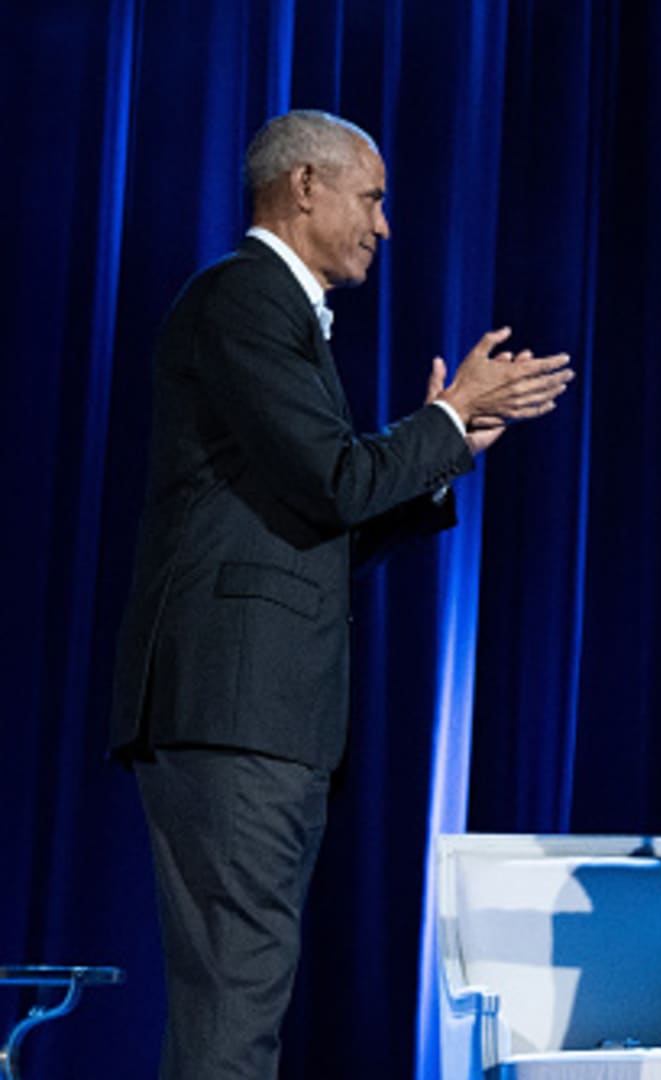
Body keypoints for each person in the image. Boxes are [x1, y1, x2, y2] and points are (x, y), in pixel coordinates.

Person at [110, 109, 572, 1078]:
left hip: (261, 716)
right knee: (237, 999)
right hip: (236, 713)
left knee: (237, 997)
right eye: (372, 197)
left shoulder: (273, 315)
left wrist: (447, 458)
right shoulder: (242, 298)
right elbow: (333, 481)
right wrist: (444, 418)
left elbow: (320, 524)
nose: (385, 223)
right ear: (303, 187)